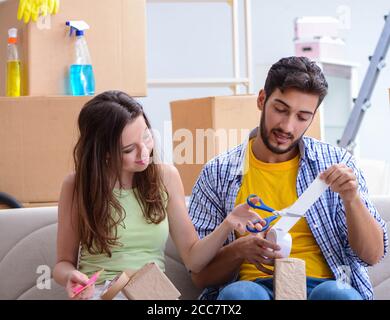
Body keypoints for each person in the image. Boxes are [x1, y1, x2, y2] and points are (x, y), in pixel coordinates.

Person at [188, 56, 388, 300]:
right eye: (280, 110)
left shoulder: (336, 163)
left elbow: (372, 255)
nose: (288, 126)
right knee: (239, 294)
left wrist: (352, 199)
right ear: (262, 100)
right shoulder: (218, 173)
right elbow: (199, 275)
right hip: (254, 287)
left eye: (302, 117)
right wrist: (238, 251)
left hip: (324, 286)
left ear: (313, 117)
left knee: (339, 295)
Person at [53, 90, 263, 300]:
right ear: (104, 152)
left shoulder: (166, 177)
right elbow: (62, 263)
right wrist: (70, 276)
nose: (144, 152)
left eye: (146, 136)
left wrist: (228, 223)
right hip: (100, 293)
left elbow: (193, 259)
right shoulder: (76, 186)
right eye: (128, 149)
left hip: (151, 293)